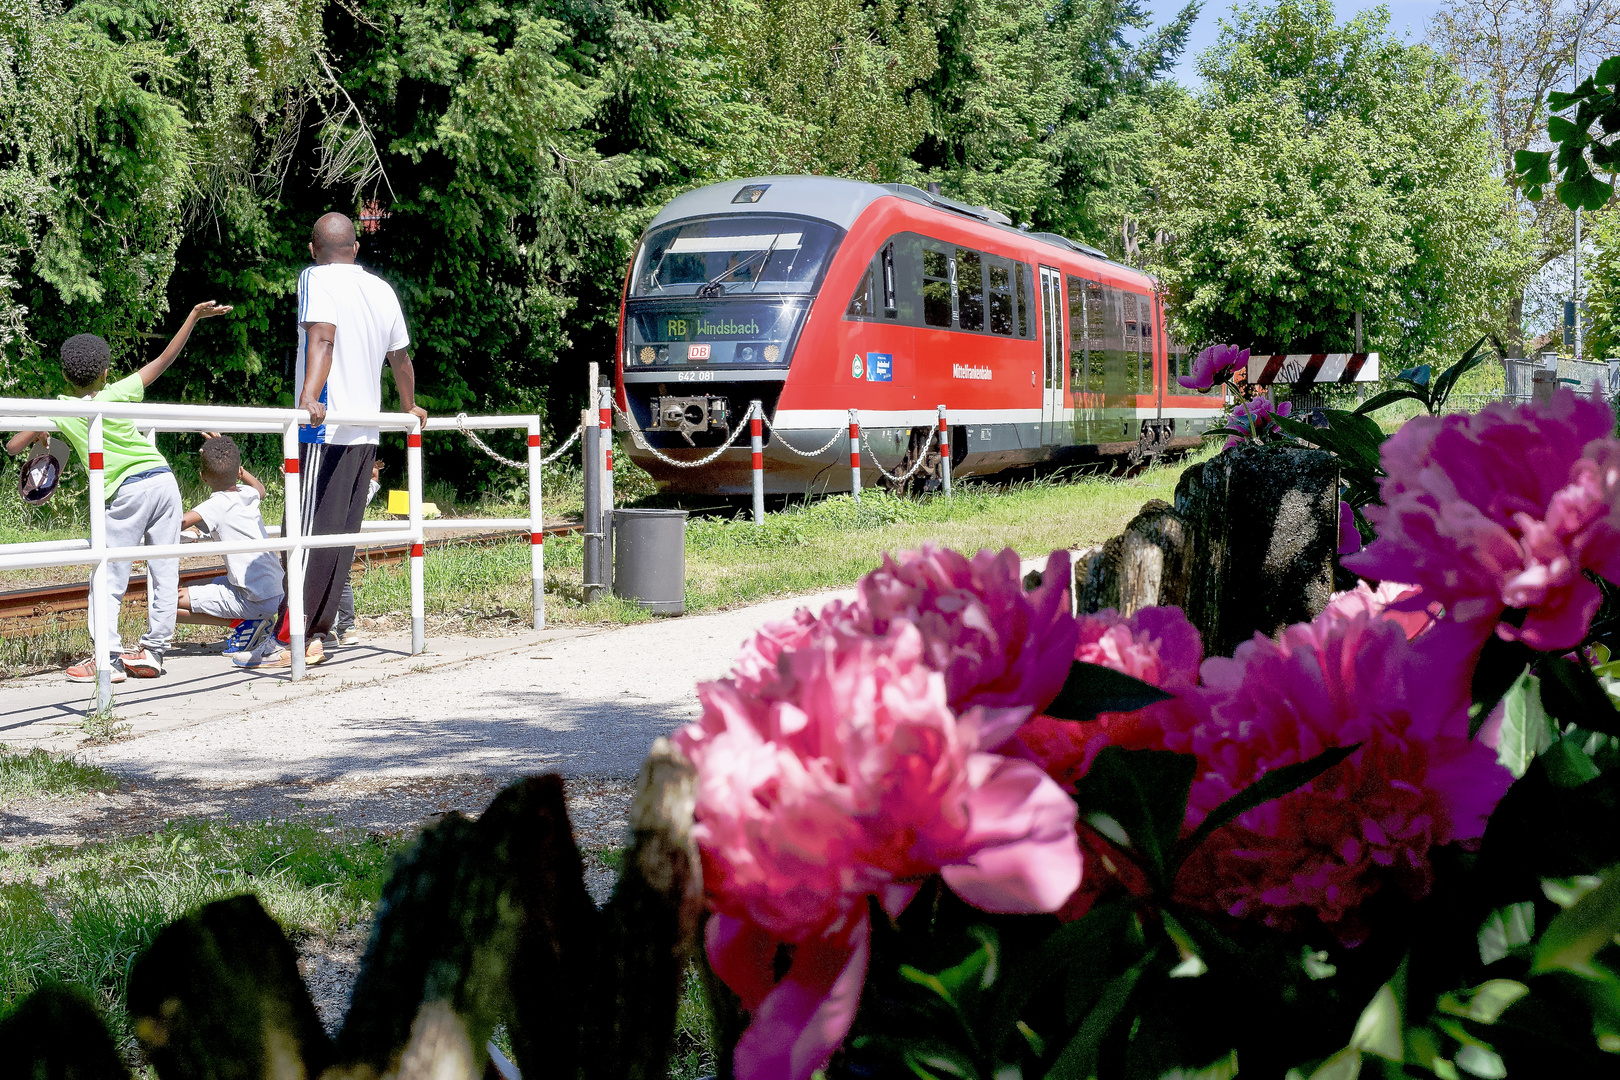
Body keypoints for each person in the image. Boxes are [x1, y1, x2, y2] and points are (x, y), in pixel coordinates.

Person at [4, 302, 232, 681]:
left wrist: (41, 430)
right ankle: (154, 652)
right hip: (162, 479)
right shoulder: (119, 391)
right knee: (164, 569)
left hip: (126, 491)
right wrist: (191, 316)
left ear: (64, 375)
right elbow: (164, 359)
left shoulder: (59, 408)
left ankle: (106, 658)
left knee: (108, 573)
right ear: (107, 372)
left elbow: (13, 447)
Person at [237, 212, 425, 668]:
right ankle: (318, 633)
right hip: (367, 429)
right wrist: (409, 407)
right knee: (338, 537)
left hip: (325, 426)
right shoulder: (382, 290)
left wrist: (307, 397)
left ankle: (291, 638)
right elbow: (399, 357)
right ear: (355, 249)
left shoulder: (314, 278)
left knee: (303, 534)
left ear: (312, 249)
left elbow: (323, 339)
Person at [176, 435, 282, 658]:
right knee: (191, 585)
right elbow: (260, 489)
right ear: (238, 472)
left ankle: (246, 624)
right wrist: (236, 466)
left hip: (254, 599)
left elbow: (179, 522)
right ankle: (253, 620)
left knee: (167, 604)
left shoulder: (215, 504)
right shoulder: (248, 494)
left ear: (202, 477)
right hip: (278, 591)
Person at [327, 458, 384, 648]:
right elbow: (374, 477)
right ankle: (347, 627)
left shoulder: (334, 490)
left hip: (326, 537)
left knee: (324, 581)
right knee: (343, 580)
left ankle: (329, 630)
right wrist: (371, 468)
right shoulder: (362, 494)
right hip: (349, 541)